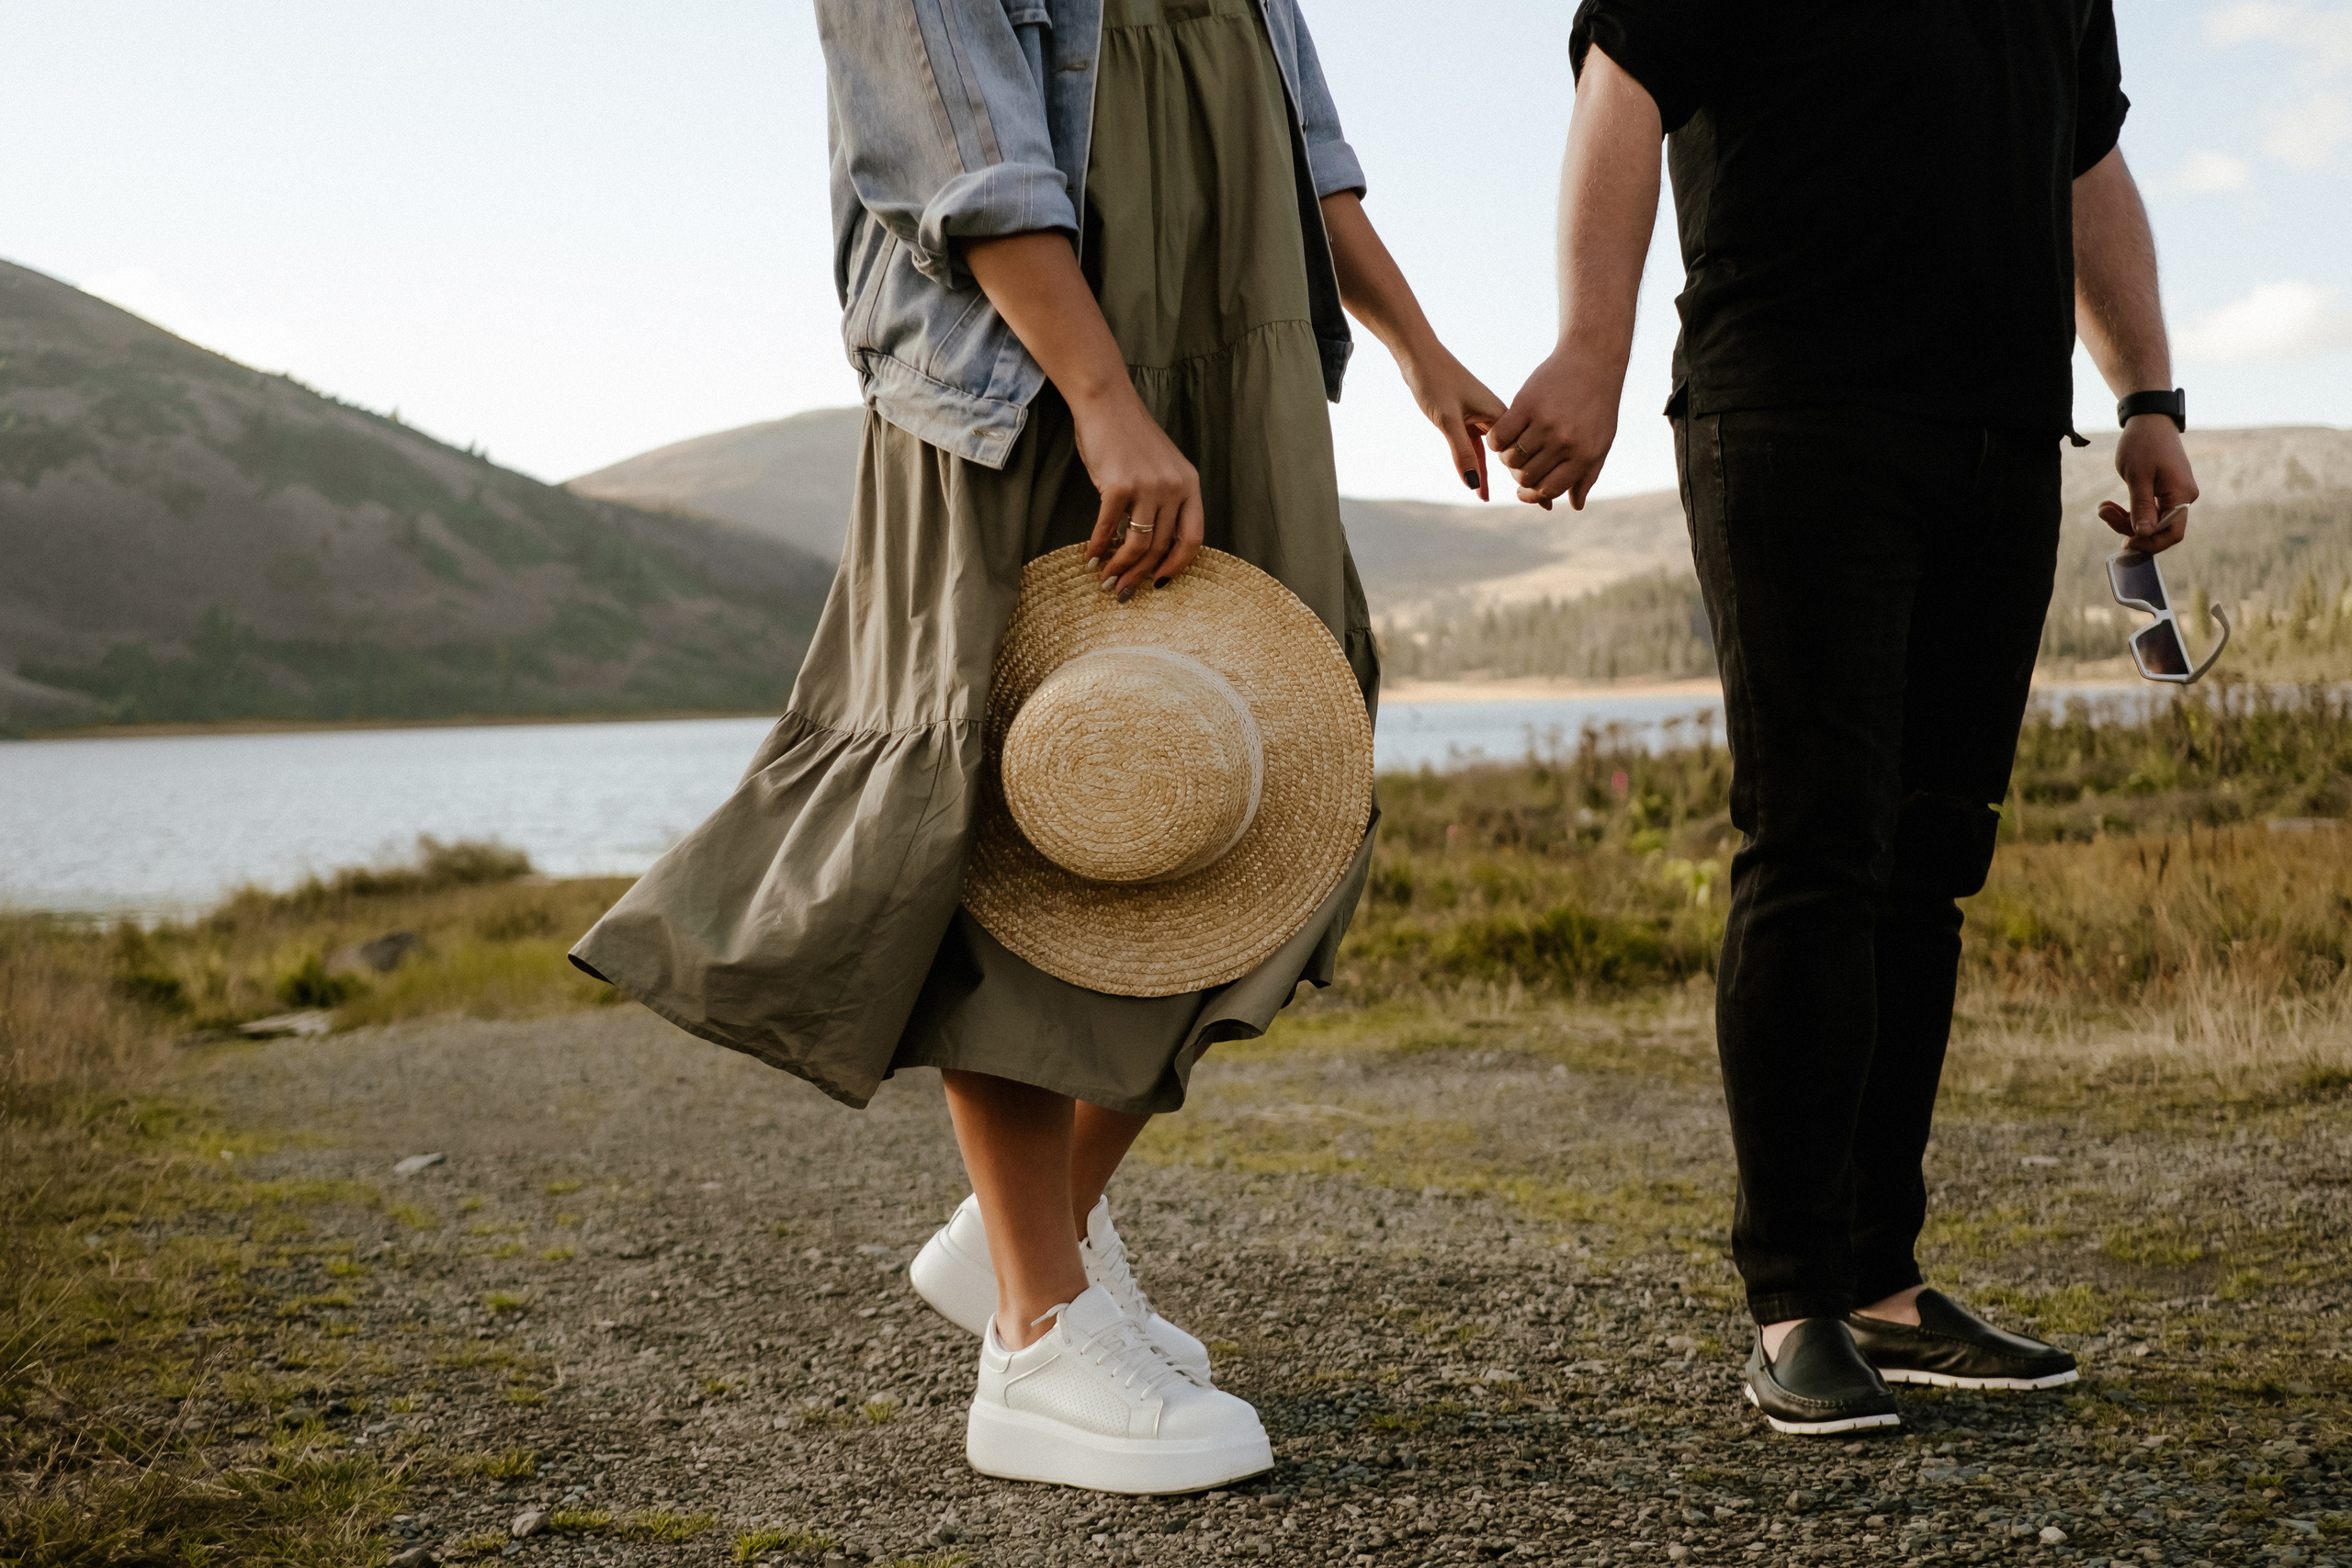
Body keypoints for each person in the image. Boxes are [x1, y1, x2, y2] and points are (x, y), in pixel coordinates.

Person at [571, 0, 1501, 1491]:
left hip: (1238, 342)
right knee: (1031, 798)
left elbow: (1306, 143)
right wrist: (1105, 396)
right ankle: (1037, 1329)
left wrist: (1420, 350)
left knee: (1266, 780)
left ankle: (1032, 1228)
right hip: (1039, 364)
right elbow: (962, 156)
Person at [1487, 2, 2199, 1435]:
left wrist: (2150, 391)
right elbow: (1624, 80)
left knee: (1928, 867)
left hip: (1999, 438)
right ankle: (1793, 1302)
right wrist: (1589, 345)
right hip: (1796, 417)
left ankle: (1881, 1285)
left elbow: (2089, 163)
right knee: (1815, 848)